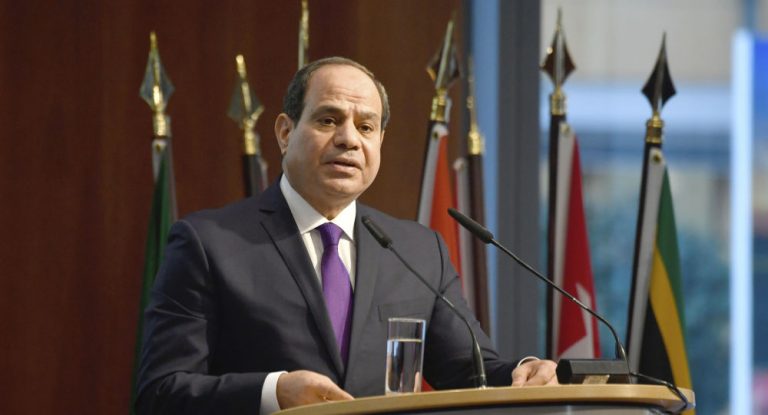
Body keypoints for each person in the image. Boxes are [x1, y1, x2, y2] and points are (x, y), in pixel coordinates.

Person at [135, 56, 557, 415]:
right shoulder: (209, 243)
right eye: (328, 120)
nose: (349, 139)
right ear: (285, 132)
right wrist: (274, 392)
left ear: (380, 142)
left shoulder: (418, 251)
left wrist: (525, 371)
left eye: (366, 127)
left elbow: (472, 372)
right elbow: (160, 392)